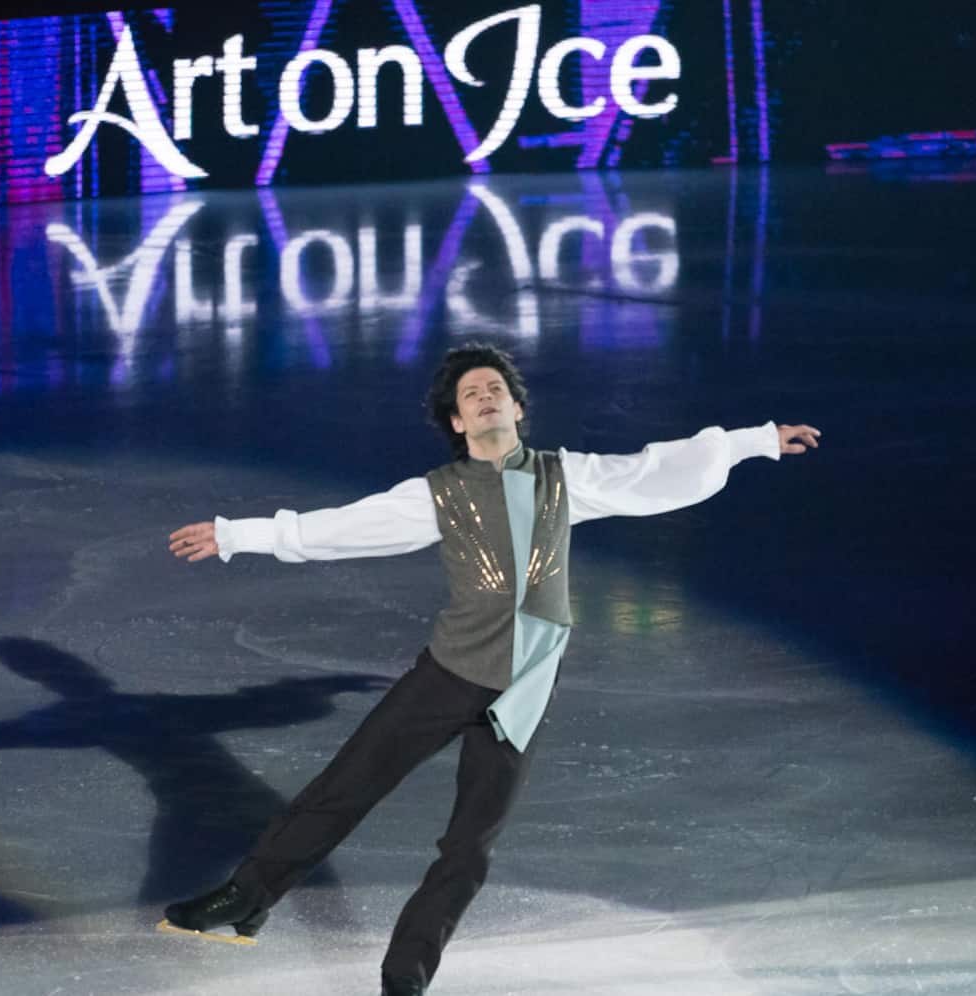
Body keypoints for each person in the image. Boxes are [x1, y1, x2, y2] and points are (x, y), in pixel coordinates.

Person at [159, 344, 821, 995]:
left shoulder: (565, 476)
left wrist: (755, 441)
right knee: (345, 787)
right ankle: (247, 898)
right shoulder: (439, 494)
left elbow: (652, 469)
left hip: (523, 691)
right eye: (471, 394)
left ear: (517, 409)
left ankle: (406, 973)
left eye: (495, 389)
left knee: (469, 845)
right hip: (448, 673)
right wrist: (237, 534)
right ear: (457, 420)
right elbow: (343, 528)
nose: (484, 397)